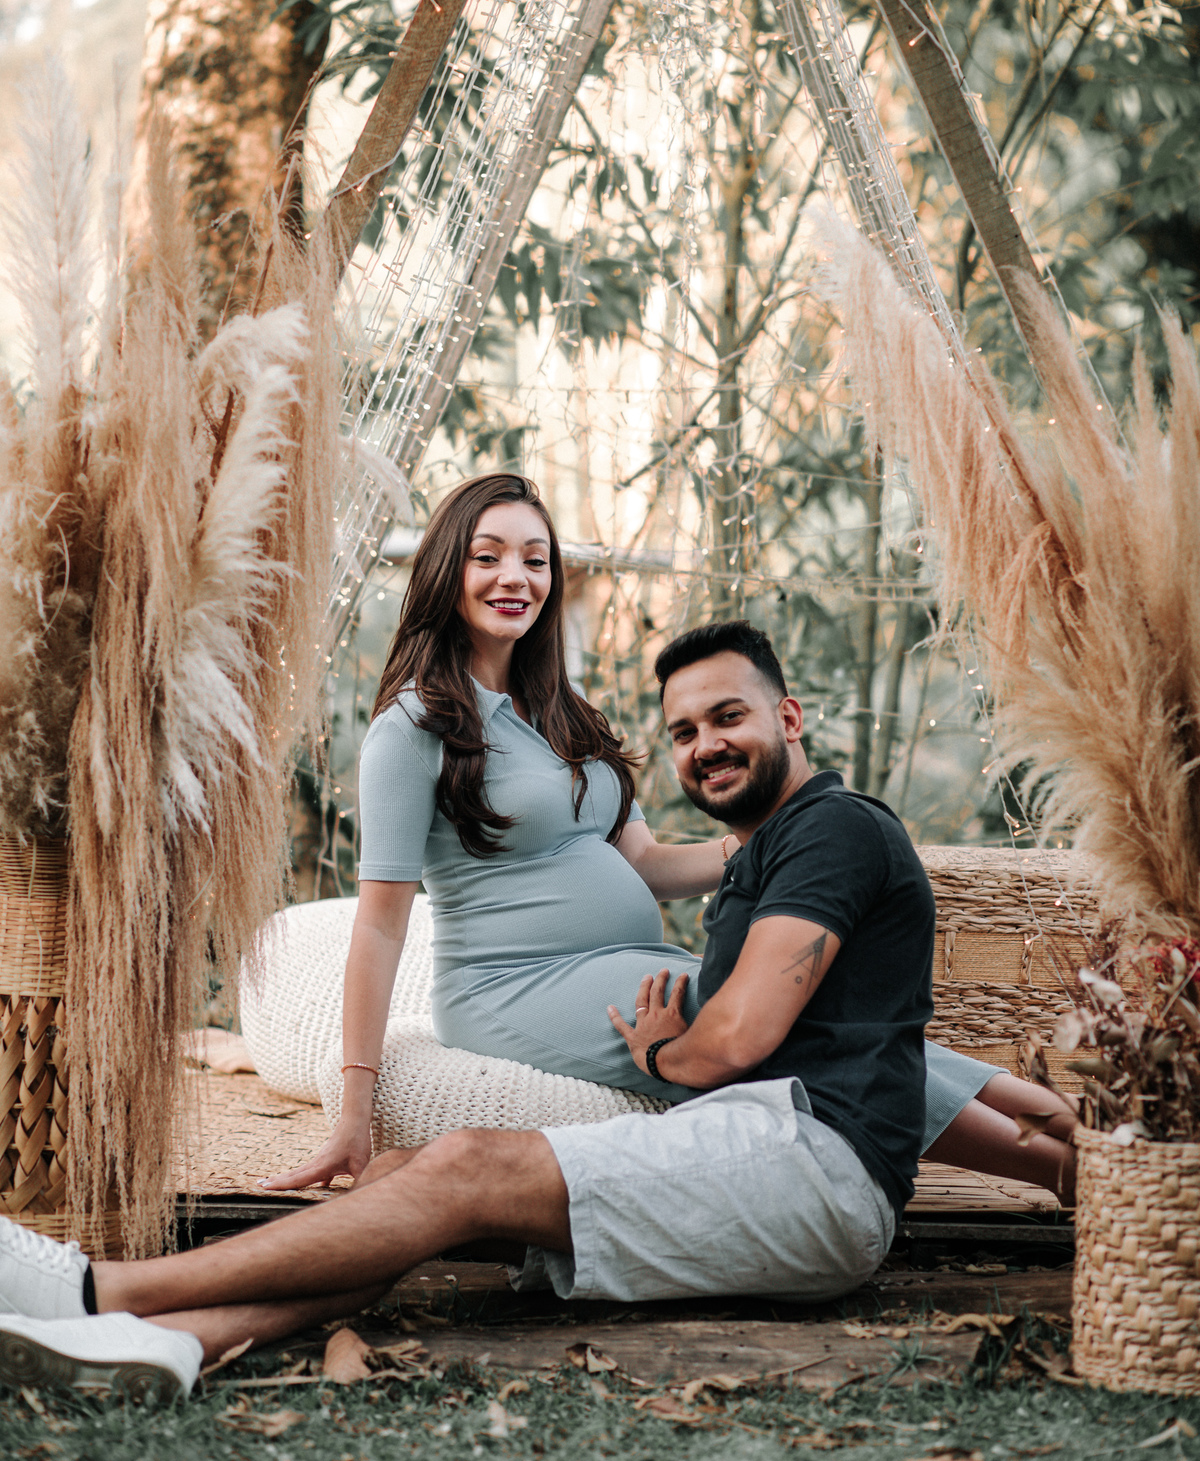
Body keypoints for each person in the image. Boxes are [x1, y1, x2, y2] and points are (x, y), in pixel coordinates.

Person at [0, 618, 1070, 1404]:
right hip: (767, 1143)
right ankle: (180, 1338)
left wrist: (667, 1049)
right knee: (403, 1177)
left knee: (466, 1166)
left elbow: (733, 1044)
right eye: (684, 730)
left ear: (789, 718)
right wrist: (1053, 1139)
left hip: (810, 1171)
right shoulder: (772, 854)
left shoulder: (834, 831)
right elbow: (870, 1044)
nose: (704, 744)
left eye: (728, 717)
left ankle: (101, 1291)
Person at [263, 474, 1075, 1202]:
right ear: (448, 571)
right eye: (489, 557)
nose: (516, 577)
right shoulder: (413, 729)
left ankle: (1078, 1126)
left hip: (629, 962)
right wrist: (354, 1109)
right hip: (511, 987)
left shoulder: (567, 712)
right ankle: (1064, 1170)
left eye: (536, 560)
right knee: (772, 1028)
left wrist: (775, 842)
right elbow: (380, 924)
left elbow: (645, 863)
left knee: (832, 1013)